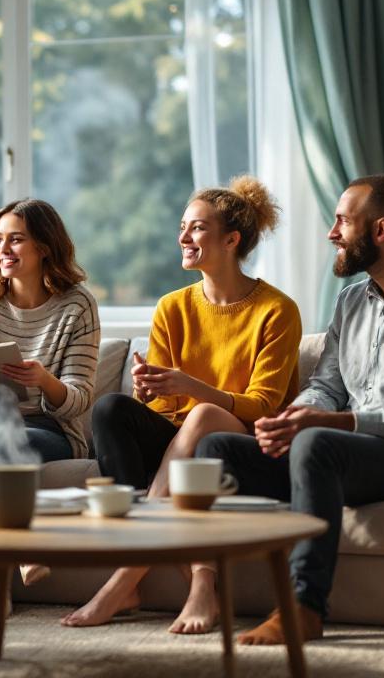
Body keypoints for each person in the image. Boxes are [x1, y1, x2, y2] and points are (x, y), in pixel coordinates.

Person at [196, 174, 384, 646]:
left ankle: (304, 607)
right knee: (218, 448)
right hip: (348, 452)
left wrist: (338, 423)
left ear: (380, 231)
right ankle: (206, 590)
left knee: (318, 444)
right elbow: (327, 385)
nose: (332, 233)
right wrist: (293, 417)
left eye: (341, 221)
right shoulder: (352, 301)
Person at [62, 176, 301, 633]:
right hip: (183, 440)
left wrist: (193, 388)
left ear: (231, 240)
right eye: (182, 227)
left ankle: (128, 576)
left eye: (196, 228)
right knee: (112, 409)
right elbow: (167, 407)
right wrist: (151, 390)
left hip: (241, 441)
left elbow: (264, 405)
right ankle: (186, 578)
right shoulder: (173, 306)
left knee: (206, 413)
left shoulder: (276, 309)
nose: (183, 238)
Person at [0, 198, 100, 624]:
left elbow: (81, 398)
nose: (2, 249)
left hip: (46, 431)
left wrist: (44, 381)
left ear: (45, 247)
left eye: (16, 240)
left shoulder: (77, 306)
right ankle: (21, 548)